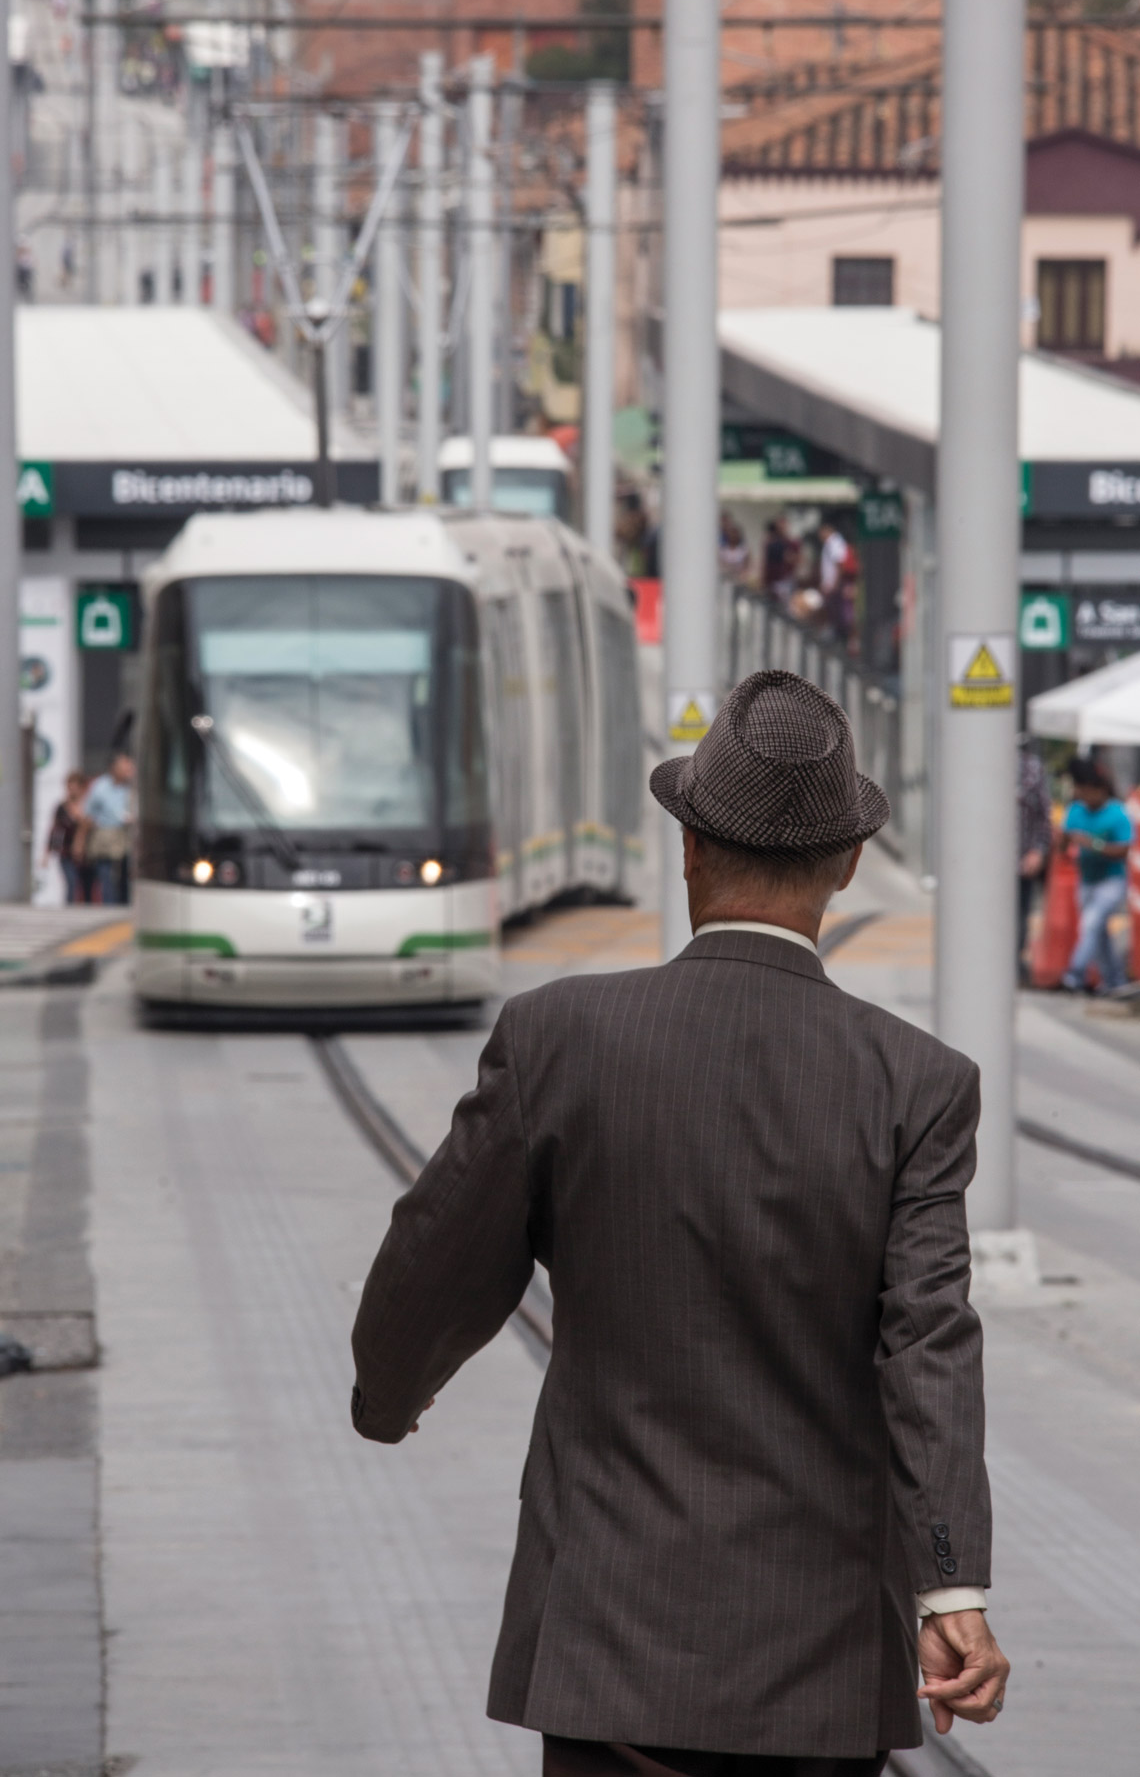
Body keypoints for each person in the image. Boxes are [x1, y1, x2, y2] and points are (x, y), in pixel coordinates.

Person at [351, 671, 1009, 1776]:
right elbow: (929, 1347)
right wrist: (953, 1587)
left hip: (612, 1639)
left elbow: (433, 1261)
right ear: (849, 866)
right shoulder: (919, 1082)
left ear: (690, 848)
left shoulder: (559, 1037)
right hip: (823, 1657)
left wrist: (389, 1395)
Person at [1060, 755, 1133, 994]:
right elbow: (1062, 846)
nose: (1084, 795)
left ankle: (1074, 973)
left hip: (1111, 880)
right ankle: (1114, 979)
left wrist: (1093, 844)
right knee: (1098, 932)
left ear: (1100, 790)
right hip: (1087, 880)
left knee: (1091, 924)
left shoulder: (1117, 813)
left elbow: (1124, 850)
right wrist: (1063, 839)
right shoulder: (1076, 810)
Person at [1016, 735, 1052, 982]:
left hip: (1021, 857)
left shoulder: (1032, 768)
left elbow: (1043, 814)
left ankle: (1014, 963)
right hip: (984, 867)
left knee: (1020, 913)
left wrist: (1038, 851)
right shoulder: (972, 767)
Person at [80, 752, 135, 907]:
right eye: (124, 766)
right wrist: (81, 841)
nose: (128, 769)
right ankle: (109, 905)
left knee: (125, 873)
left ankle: (124, 904)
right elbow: (87, 815)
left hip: (125, 835)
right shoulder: (100, 787)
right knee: (105, 874)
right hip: (105, 835)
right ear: (114, 768)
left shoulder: (131, 787)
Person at [44, 771, 91, 904]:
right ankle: (70, 908)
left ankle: (87, 912)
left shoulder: (88, 806)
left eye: (74, 787)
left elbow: (90, 826)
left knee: (87, 883)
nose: (71, 791)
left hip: (86, 852)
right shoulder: (61, 807)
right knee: (72, 881)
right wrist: (47, 852)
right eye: (69, 787)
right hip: (66, 851)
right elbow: (54, 830)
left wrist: (80, 817)